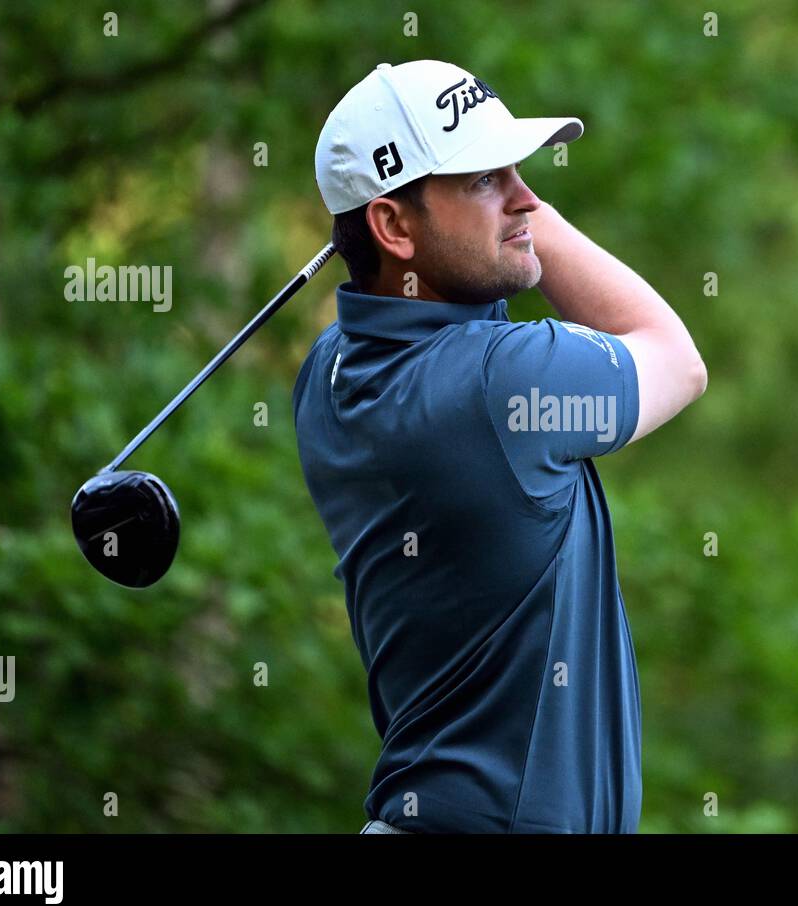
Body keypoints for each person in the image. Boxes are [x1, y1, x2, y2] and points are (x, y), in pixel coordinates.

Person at [294, 59, 706, 834]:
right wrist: (523, 229)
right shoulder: (505, 381)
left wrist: (489, 214)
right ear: (393, 224)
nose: (527, 198)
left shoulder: (328, 374)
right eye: (484, 179)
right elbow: (675, 357)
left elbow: (428, 304)